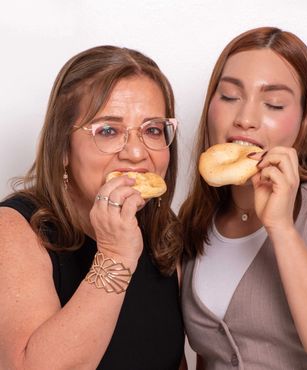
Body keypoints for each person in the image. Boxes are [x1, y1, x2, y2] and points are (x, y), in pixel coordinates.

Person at [180, 26, 307, 369]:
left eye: (274, 103)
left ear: (304, 119)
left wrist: (281, 228)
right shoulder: (193, 222)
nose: (246, 119)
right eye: (228, 96)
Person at [0, 45, 187, 369]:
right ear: (62, 147)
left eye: (153, 130)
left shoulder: (163, 229)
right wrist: (116, 256)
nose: (136, 152)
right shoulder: (14, 229)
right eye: (109, 130)